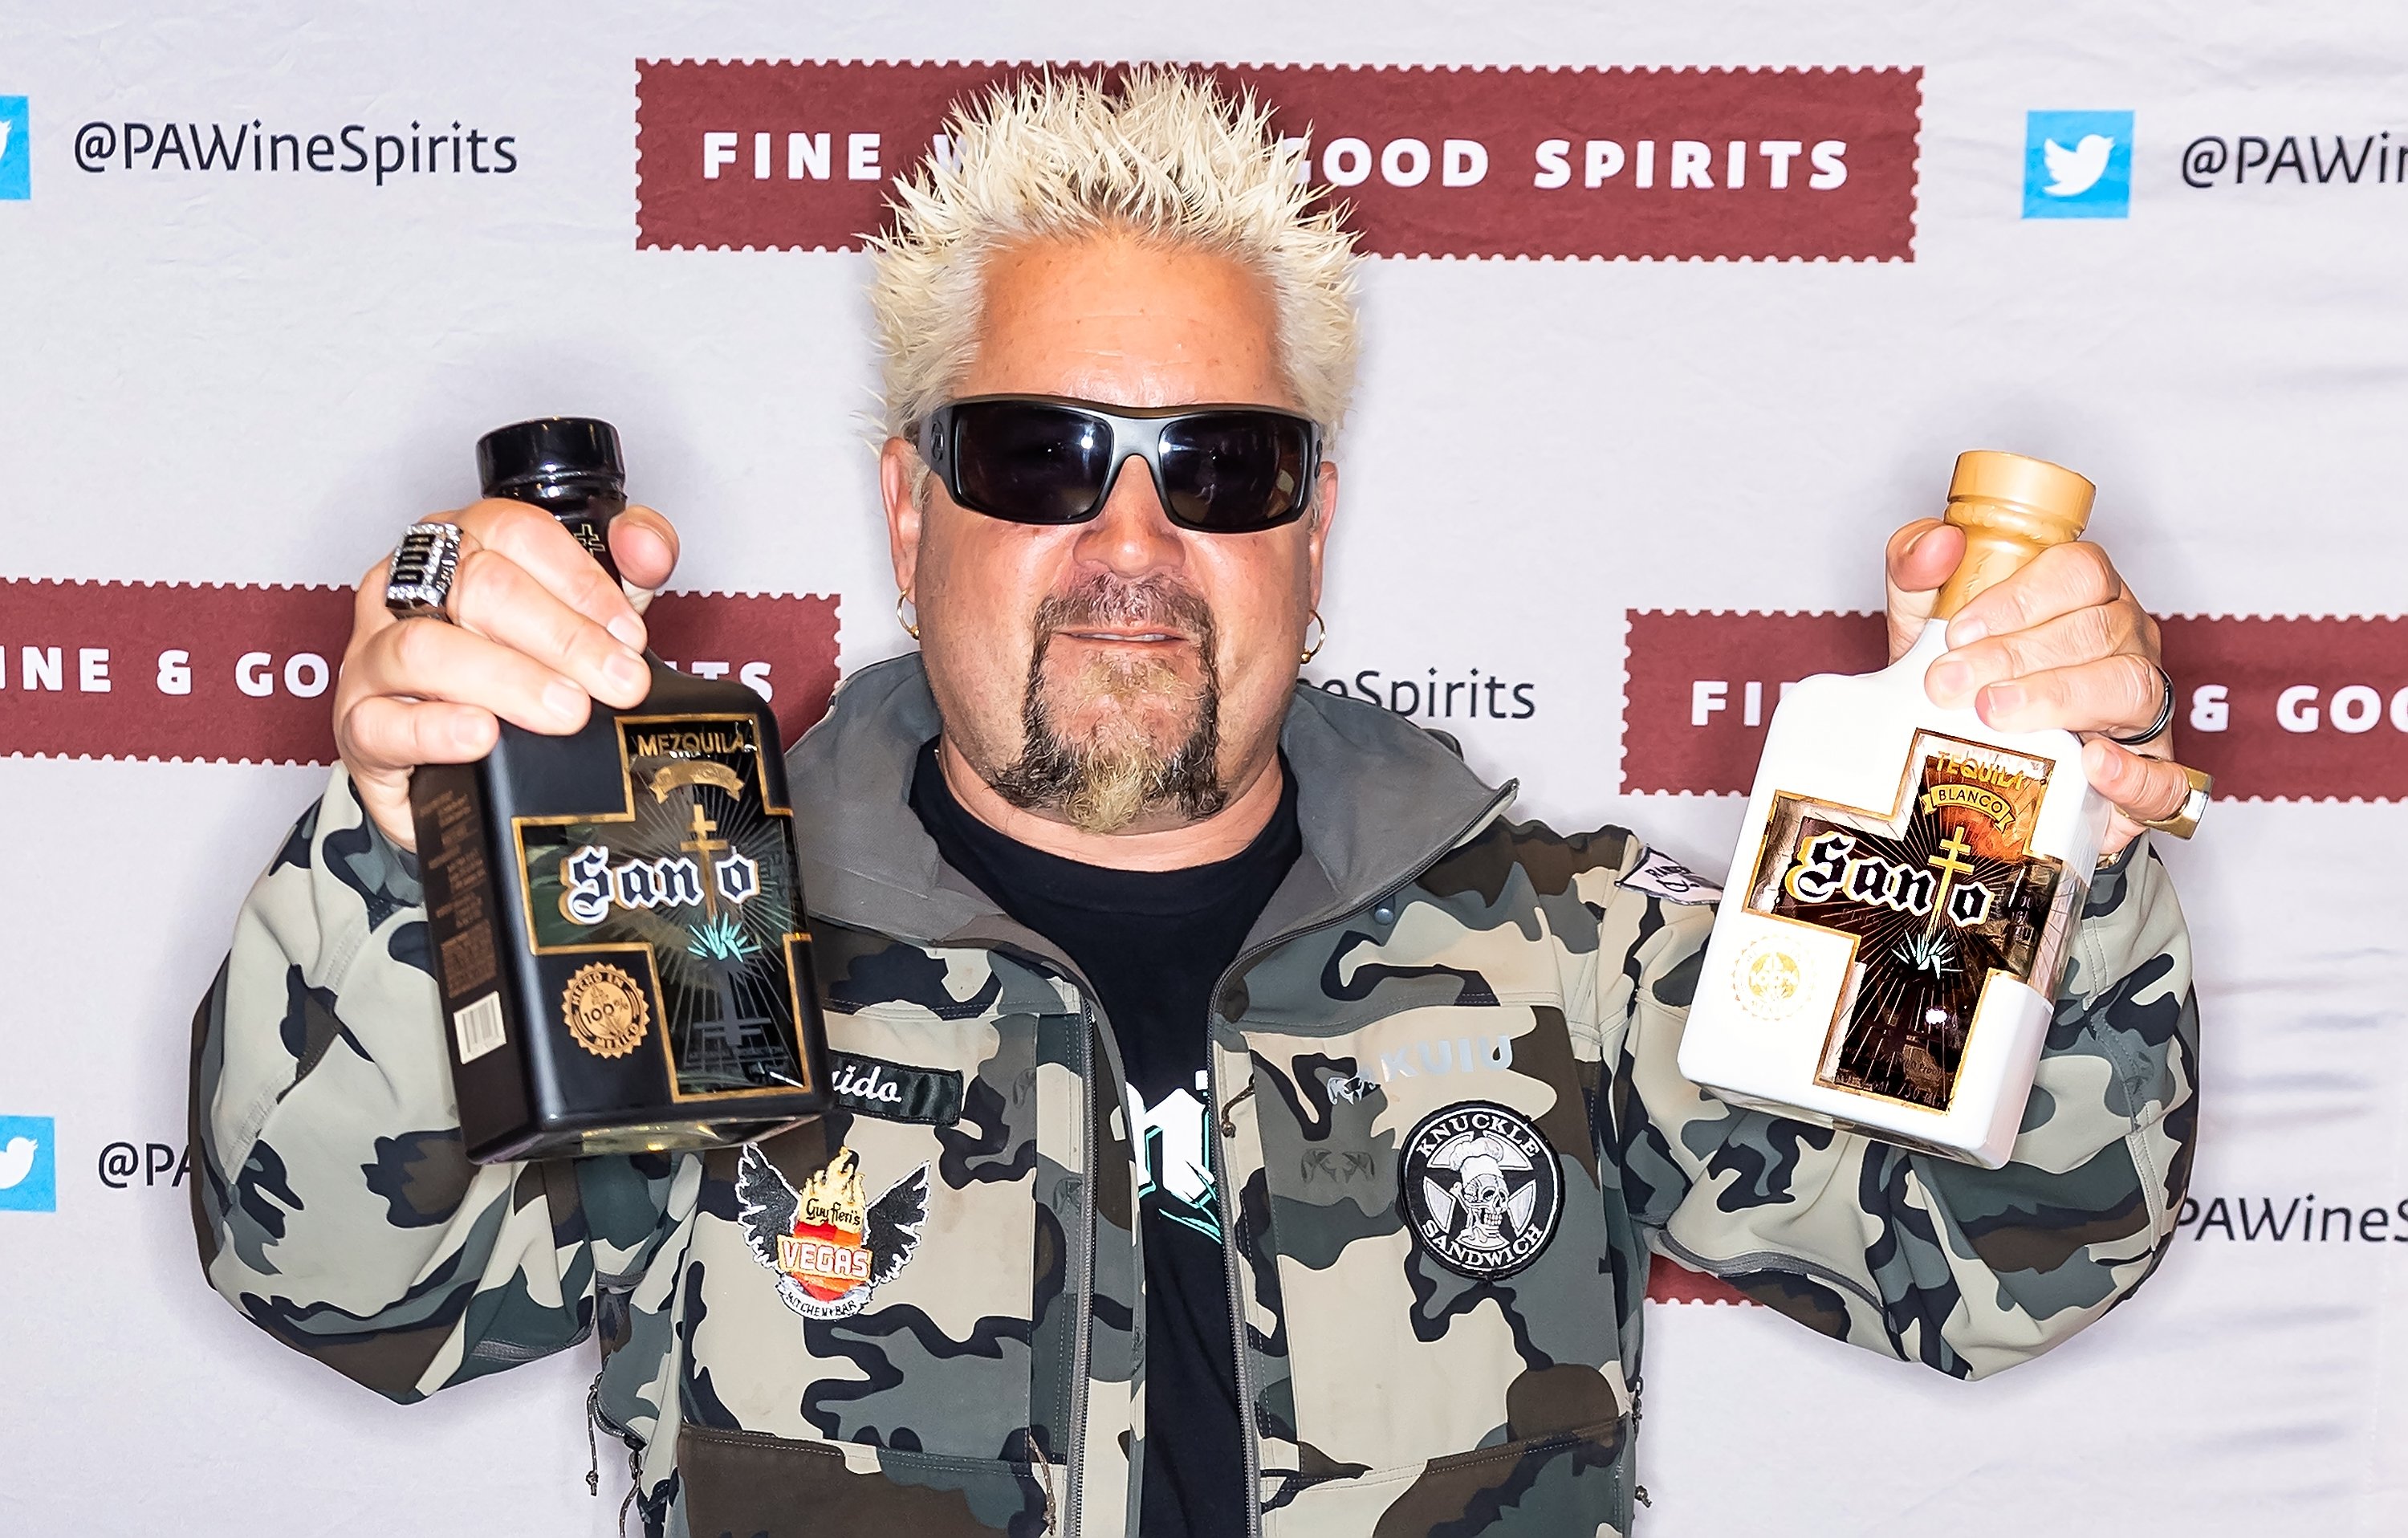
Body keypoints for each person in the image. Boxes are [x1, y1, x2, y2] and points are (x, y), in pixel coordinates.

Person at [188, 69, 2201, 1538]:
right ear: (913, 511)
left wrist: (2055, 854)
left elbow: (2008, 1246)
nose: (1131, 539)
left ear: (1315, 535)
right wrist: (406, 832)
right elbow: (350, 1284)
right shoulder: (687, 918)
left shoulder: (1572, 948)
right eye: (1042, 452)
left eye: (1222, 466)